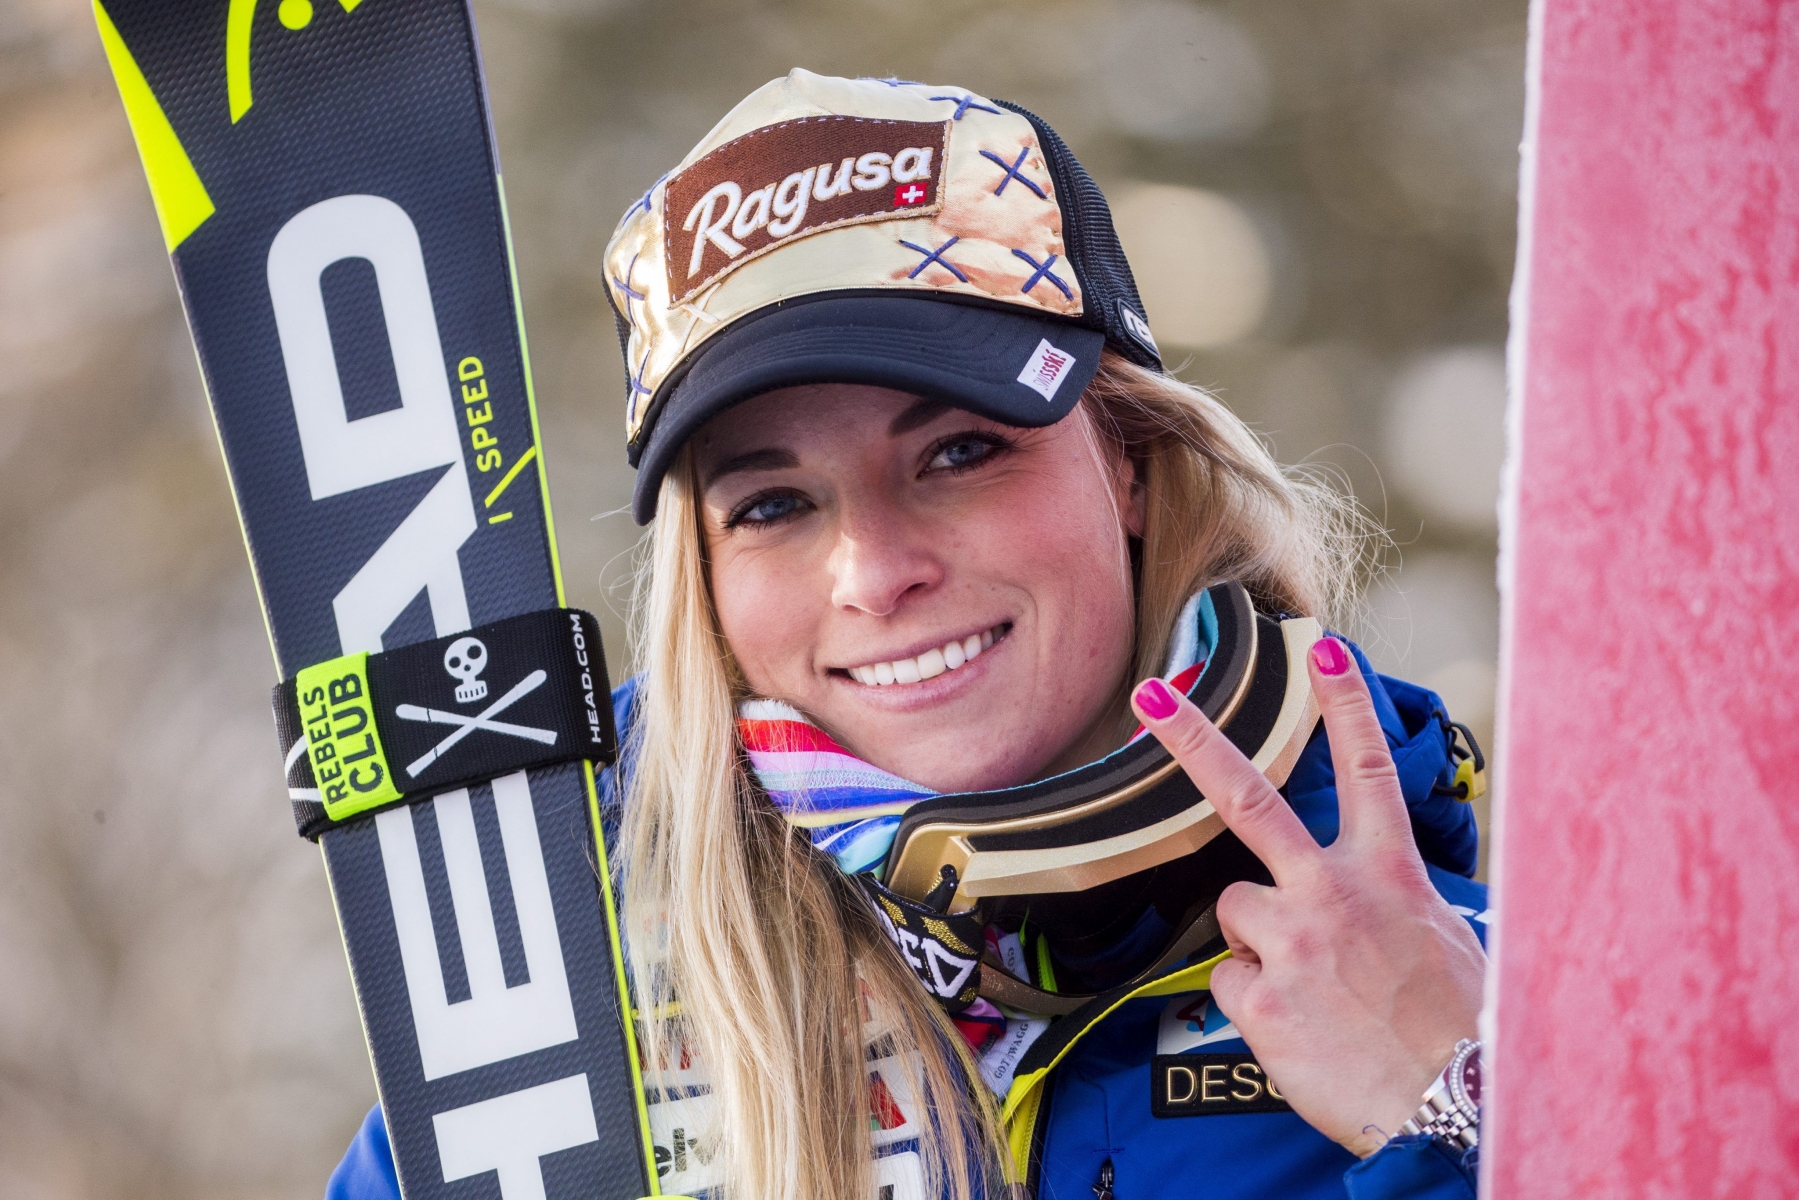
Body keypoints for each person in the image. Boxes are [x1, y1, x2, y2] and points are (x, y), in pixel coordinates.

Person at [328, 70, 1490, 1200]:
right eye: (772, 506)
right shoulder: (550, 1050)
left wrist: (1457, 1107)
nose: (875, 575)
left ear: (1127, 463)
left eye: (959, 453)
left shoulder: (1474, 983)